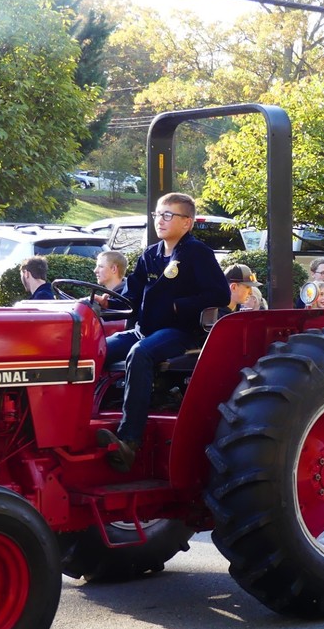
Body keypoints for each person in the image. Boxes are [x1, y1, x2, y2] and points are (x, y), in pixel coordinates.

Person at [96, 192, 230, 471]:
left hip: (181, 332)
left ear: (187, 223)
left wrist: (180, 307)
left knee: (140, 354)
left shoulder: (197, 254)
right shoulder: (150, 254)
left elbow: (219, 293)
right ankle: (85, 419)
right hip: (144, 330)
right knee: (95, 349)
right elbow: (131, 293)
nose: (161, 220)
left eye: (169, 215)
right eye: (158, 214)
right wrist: (105, 300)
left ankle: (129, 440)